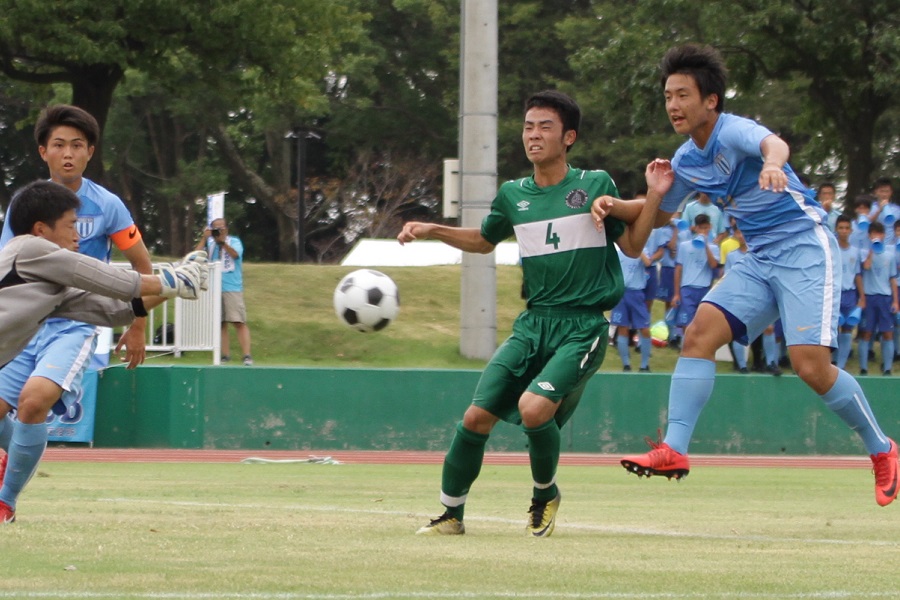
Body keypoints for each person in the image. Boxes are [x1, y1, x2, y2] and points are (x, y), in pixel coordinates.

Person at [604, 44, 897, 507]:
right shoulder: (686, 159)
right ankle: (675, 451)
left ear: (711, 101)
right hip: (759, 256)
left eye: (683, 95)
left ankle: (883, 450)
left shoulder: (733, 130)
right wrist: (614, 205)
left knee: (809, 366)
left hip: (804, 246)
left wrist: (774, 164)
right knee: (698, 334)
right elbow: (658, 213)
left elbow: (772, 144)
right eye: (667, 96)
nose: (673, 106)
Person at [397, 90, 671, 536]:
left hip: (583, 326)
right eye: (528, 126)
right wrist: (432, 229)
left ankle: (544, 495)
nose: (533, 134)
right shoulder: (512, 196)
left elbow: (635, 245)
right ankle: (451, 514)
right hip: (534, 323)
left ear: (569, 138)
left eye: (545, 126)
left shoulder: (595, 184)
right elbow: (485, 241)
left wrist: (655, 195)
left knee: (533, 408)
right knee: (475, 417)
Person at [0, 180, 207, 522]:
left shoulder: (54, 286)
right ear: (40, 230)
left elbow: (117, 309)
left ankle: (4, 501)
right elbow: (106, 277)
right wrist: (170, 279)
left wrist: (178, 286)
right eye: (70, 226)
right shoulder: (27, 249)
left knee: (29, 404)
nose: (78, 236)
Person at [0, 105, 156, 515]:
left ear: (90, 152)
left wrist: (138, 326)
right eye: (58, 145)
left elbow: (142, 266)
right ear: (42, 152)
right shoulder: (26, 204)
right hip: (28, 322)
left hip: (76, 321)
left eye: (77, 145)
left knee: (34, 401)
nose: (67, 153)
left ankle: (5, 502)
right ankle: (14, 457)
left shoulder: (108, 205)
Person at [196, 218, 252, 365]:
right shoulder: (210, 244)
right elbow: (195, 257)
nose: (219, 231)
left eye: (221, 228)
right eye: (216, 228)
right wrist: (204, 238)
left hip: (232, 287)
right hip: (214, 287)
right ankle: (225, 355)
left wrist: (223, 243)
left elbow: (235, 255)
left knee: (238, 321)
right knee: (220, 323)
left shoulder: (234, 241)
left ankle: (247, 355)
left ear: (227, 229)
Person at [858, 221, 898, 376]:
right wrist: (871, 251)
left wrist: (895, 301)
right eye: (873, 233)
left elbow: (893, 279)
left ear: (883, 235)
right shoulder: (864, 253)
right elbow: (866, 267)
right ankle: (863, 368)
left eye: (879, 234)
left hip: (885, 298)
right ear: (869, 235)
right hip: (869, 297)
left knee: (887, 333)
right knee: (866, 333)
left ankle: (887, 368)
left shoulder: (890, 255)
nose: (876, 236)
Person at [671, 214, 719, 333]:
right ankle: (685, 349)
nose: (703, 231)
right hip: (687, 289)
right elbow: (678, 269)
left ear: (710, 227)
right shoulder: (684, 246)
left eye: (706, 228)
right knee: (687, 325)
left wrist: (706, 245)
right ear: (696, 228)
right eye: (701, 228)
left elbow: (713, 265)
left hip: (704, 289)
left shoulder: (714, 248)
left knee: (702, 325)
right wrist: (677, 293)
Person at [611, 246, 653, 372]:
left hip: (637, 293)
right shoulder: (618, 254)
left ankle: (644, 365)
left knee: (644, 329)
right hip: (622, 294)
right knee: (623, 328)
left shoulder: (643, 250)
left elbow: (648, 263)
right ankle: (626, 365)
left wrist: (638, 250)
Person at [834, 215, 864, 370]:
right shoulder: (832, 249)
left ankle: (841, 364)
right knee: (833, 328)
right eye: (841, 228)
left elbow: (857, 275)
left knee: (847, 328)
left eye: (847, 228)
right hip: (834, 294)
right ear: (836, 229)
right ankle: (831, 362)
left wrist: (862, 297)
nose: (844, 231)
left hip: (850, 294)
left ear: (851, 231)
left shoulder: (855, 251)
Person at [722, 221, 749, 373]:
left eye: (743, 232)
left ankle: (769, 362)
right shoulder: (732, 256)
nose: (741, 236)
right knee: (738, 329)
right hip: (738, 296)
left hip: (754, 295)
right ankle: (742, 366)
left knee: (767, 330)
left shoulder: (756, 254)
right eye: (738, 233)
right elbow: (727, 276)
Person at [868, 178, 900, 246]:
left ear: (891, 192)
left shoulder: (897, 209)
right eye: (881, 191)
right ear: (876, 192)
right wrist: (879, 210)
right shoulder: (870, 208)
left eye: (887, 191)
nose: (884, 194)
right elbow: (868, 222)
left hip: (893, 246)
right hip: (875, 245)